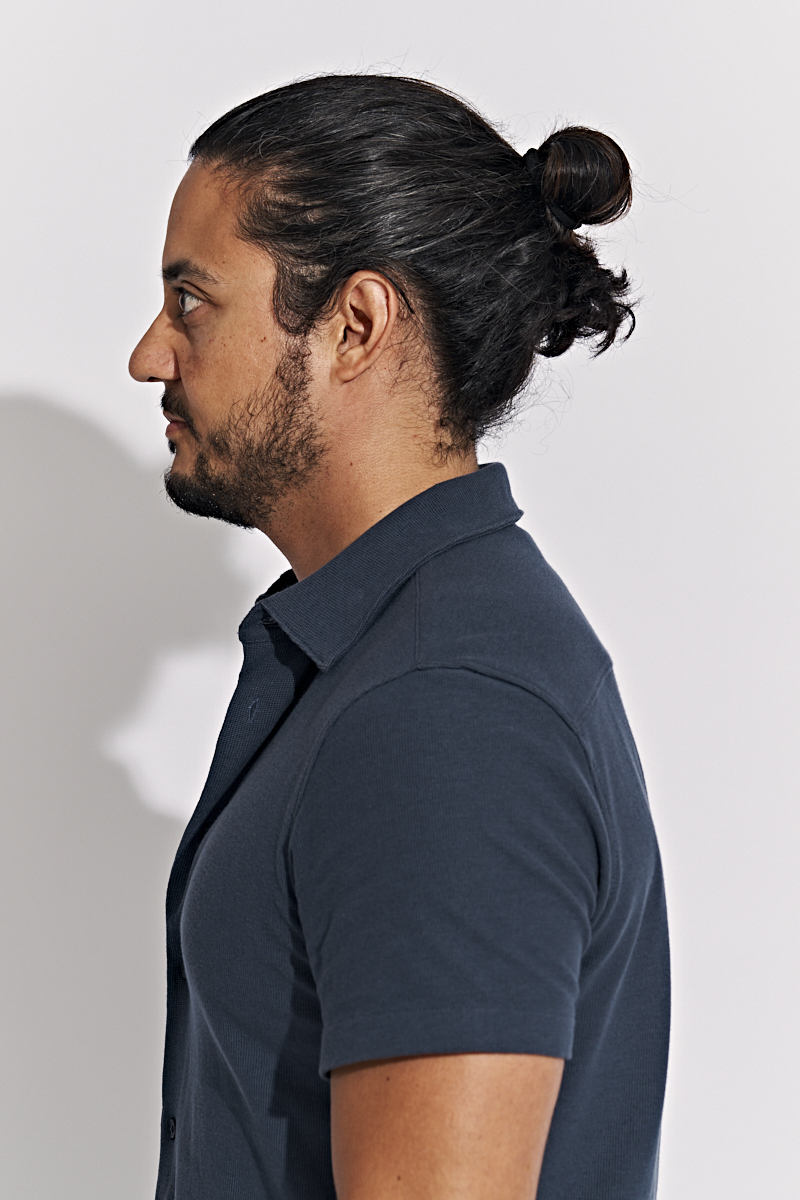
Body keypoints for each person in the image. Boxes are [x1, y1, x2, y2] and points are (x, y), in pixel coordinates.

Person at [128, 74, 670, 1200]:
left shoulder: (442, 711)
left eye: (191, 301)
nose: (149, 354)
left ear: (355, 325)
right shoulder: (395, 658)